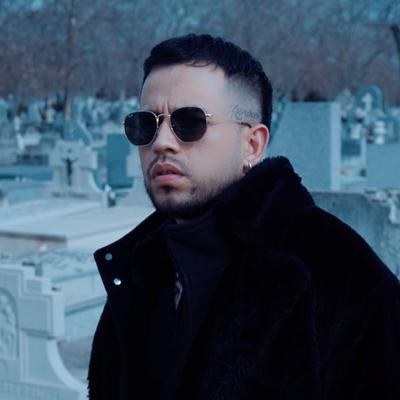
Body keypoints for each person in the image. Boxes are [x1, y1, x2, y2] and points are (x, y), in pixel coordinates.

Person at [88, 34, 400, 400]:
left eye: (189, 122)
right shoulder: (138, 266)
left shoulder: (340, 272)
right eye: (145, 124)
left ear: (252, 145)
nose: (161, 143)